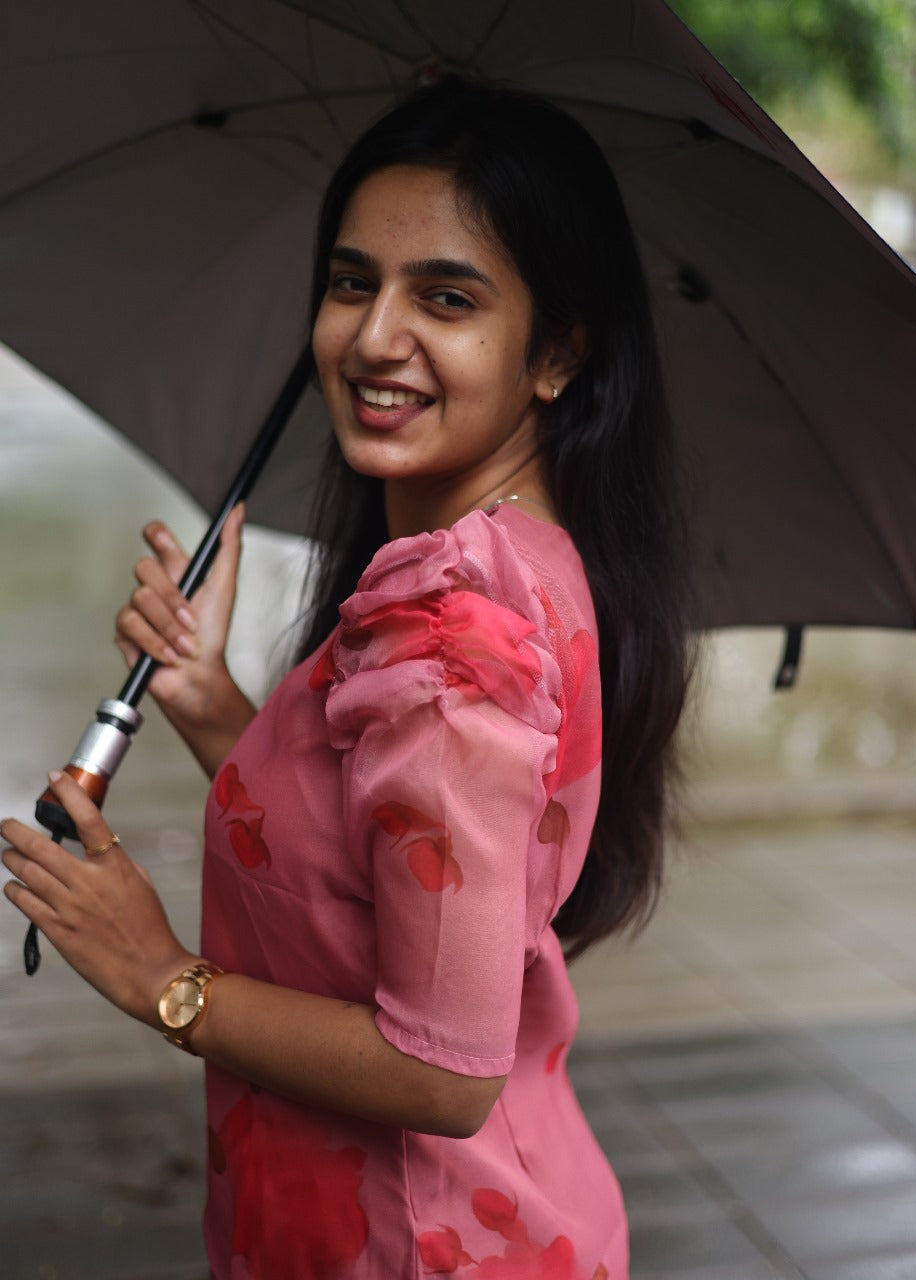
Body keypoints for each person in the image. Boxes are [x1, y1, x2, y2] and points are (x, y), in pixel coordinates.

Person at [1, 76, 691, 1278]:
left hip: (415, 1242)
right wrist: (211, 701)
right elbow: (384, 856)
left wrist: (162, 976)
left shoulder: (455, 619)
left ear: (557, 353)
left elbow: (443, 1067)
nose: (374, 338)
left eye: (447, 297)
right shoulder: (519, 563)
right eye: (352, 281)